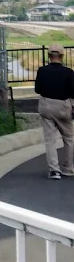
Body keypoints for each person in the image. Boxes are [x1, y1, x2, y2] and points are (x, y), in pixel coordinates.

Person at [34, 45, 74, 180]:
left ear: (49, 56)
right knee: (68, 138)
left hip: (46, 106)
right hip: (63, 107)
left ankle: (54, 170)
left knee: (50, 140)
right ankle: (68, 169)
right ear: (62, 56)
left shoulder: (42, 71)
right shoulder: (69, 72)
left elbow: (37, 89)